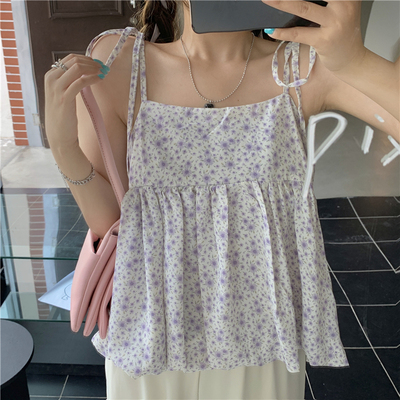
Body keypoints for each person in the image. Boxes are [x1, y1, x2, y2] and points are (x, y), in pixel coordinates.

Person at [44, 1, 399, 399]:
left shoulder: (301, 68)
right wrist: (63, 147)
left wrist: (357, 63)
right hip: (153, 332)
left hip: (263, 340)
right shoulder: (121, 62)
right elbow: (110, 222)